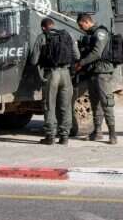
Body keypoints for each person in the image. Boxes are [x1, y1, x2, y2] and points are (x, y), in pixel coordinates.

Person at [29, 17, 79, 145]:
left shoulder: (42, 37)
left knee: (49, 106)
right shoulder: (67, 35)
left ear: (43, 27)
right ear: (53, 25)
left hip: (51, 74)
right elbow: (77, 55)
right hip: (66, 74)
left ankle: (50, 136)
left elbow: (34, 60)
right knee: (65, 106)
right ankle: (64, 137)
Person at [73, 12, 117, 144]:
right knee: (95, 103)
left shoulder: (100, 33)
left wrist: (81, 63)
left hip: (102, 73)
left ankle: (112, 134)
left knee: (106, 103)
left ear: (87, 22)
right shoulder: (91, 34)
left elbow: (97, 53)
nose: (81, 28)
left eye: (82, 25)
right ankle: (97, 132)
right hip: (93, 73)